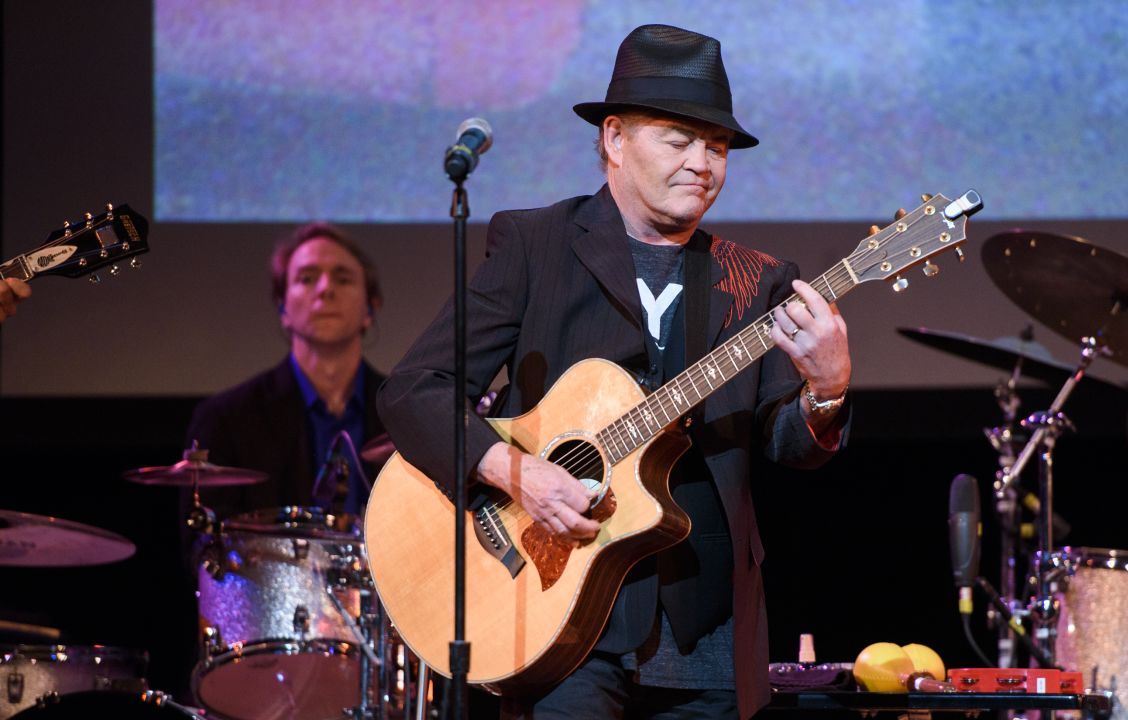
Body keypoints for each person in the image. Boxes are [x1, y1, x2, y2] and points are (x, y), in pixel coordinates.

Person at [378, 24, 853, 720]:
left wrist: (828, 390)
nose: (703, 164)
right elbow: (415, 391)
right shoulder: (535, 247)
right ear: (614, 139)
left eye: (718, 148)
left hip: (705, 633)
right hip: (556, 620)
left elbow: (789, 444)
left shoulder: (757, 281)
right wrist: (518, 474)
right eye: (679, 139)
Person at [185, 222, 387, 518]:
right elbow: (205, 550)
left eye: (342, 279)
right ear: (282, 308)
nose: (325, 289)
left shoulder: (403, 416)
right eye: (307, 278)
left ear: (370, 308)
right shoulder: (227, 418)